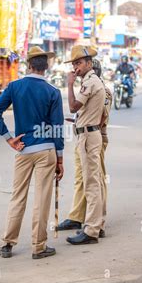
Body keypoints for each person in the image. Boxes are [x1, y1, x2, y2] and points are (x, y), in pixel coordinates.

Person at [0, 46, 64, 259]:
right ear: (46, 67)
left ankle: (7, 244)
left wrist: (9, 139)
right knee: (41, 199)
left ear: (29, 65)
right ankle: (38, 247)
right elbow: (57, 128)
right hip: (46, 150)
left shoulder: (14, 87)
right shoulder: (53, 92)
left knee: (17, 197)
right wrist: (60, 159)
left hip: (23, 150)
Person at [56, 58, 111, 238]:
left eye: (78, 64)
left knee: (95, 181)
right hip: (84, 135)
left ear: (90, 67)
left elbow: (101, 117)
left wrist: (70, 85)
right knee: (82, 179)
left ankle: (95, 225)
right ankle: (78, 216)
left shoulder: (98, 87)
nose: (75, 69)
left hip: (94, 137)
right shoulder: (87, 87)